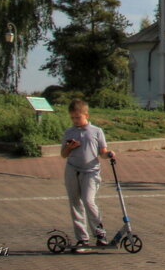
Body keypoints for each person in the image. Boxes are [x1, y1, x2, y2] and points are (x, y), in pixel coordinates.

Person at [61, 99, 115, 253]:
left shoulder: (96, 131)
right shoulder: (69, 132)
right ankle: (82, 239)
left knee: (88, 200)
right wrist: (69, 147)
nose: (75, 121)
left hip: (91, 172)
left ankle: (99, 233)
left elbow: (102, 152)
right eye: (72, 118)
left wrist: (109, 154)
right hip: (72, 170)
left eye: (78, 117)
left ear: (86, 115)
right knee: (75, 203)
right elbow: (63, 154)